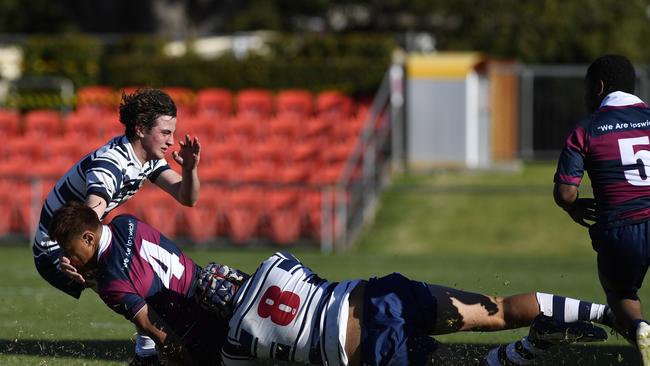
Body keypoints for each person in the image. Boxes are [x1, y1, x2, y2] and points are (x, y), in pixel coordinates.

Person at [49, 201, 610, 366]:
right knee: (499, 308)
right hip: (378, 292)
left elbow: (161, 332)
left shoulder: (238, 345)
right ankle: (611, 317)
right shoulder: (273, 265)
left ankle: (533, 349)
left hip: (371, 348)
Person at [32, 88, 201, 365]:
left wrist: (190, 169)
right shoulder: (111, 163)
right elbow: (91, 210)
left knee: (135, 271)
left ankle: (148, 354)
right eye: (165, 132)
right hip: (58, 249)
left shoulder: (147, 158)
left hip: (81, 236)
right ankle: (152, 354)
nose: (171, 141)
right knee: (132, 277)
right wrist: (69, 254)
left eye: (173, 132)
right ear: (141, 129)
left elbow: (187, 197)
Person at [553, 54, 650, 364]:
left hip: (620, 228)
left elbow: (566, 192)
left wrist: (572, 209)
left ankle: (640, 329)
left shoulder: (586, 128)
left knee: (621, 294)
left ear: (599, 87)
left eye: (586, 89)